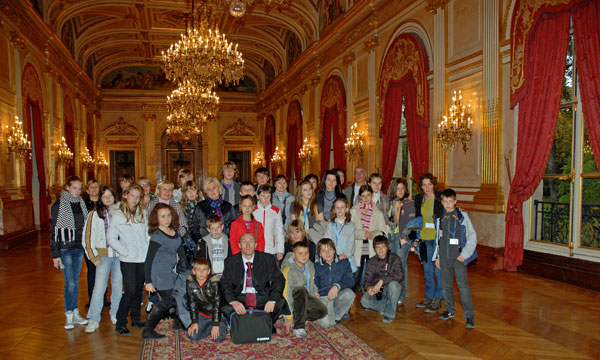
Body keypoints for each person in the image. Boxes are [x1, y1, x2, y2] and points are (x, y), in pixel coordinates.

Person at [220, 232, 290, 332]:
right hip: (240, 297)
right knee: (224, 305)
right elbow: (225, 284)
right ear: (239, 245)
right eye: (244, 242)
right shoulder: (230, 261)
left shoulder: (267, 259)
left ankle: (259, 324)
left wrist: (272, 300)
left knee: (279, 302)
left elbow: (279, 280)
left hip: (261, 296)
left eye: (251, 241)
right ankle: (257, 325)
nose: (248, 245)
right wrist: (234, 301)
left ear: (256, 245)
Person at [107, 184, 149, 336]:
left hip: (142, 257)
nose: (135, 199)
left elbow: (147, 235)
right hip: (128, 259)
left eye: (138, 197)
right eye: (132, 196)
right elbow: (111, 238)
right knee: (130, 289)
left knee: (139, 289)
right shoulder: (118, 215)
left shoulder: (143, 213)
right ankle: (120, 322)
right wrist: (125, 250)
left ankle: (136, 319)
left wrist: (148, 252)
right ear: (125, 195)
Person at [143, 203, 189, 339]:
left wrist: (187, 274)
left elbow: (182, 256)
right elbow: (149, 260)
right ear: (156, 219)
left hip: (169, 272)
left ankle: (178, 323)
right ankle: (148, 330)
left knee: (177, 297)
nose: (166, 219)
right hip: (158, 272)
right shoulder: (157, 236)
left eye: (168, 215)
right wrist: (148, 281)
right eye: (162, 216)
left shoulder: (175, 233)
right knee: (168, 301)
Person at [433, 189, 477, 329]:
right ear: (442, 202)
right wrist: (437, 257)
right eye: (445, 201)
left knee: (463, 287)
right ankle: (449, 310)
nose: (447, 204)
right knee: (446, 285)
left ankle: (469, 315)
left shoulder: (462, 216)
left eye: (450, 201)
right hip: (444, 258)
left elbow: (472, 236)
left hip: (458, 258)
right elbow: (437, 239)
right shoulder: (440, 217)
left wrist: (464, 254)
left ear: (455, 202)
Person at [50, 175, 90, 329]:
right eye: (74, 188)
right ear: (67, 187)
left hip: (79, 248)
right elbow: (54, 231)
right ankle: (69, 314)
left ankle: (75, 313)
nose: (77, 191)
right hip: (65, 249)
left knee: (75, 282)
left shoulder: (81, 204)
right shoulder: (58, 205)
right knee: (70, 282)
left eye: (80, 188)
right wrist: (55, 255)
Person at [83, 186, 122, 332]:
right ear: (100, 198)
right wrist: (93, 257)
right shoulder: (94, 214)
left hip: (119, 255)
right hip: (103, 256)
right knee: (99, 287)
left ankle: (115, 313)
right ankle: (93, 318)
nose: (107, 199)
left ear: (114, 197)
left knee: (118, 285)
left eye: (110, 196)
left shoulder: (120, 213)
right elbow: (87, 237)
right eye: (104, 196)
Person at [282, 242, 327, 338]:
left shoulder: (310, 265)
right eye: (300, 253)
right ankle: (299, 326)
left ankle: (299, 316)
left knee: (322, 311)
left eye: (306, 253)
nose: (304, 256)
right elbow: (285, 294)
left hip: (306, 298)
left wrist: (314, 291)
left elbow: (312, 282)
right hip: (293, 300)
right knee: (300, 289)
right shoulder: (288, 269)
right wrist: (288, 317)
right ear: (293, 255)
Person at [414, 173, 444, 313]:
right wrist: (415, 238)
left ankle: (438, 299)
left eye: (429, 184)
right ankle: (429, 297)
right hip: (424, 239)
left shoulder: (440, 198)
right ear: (421, 186)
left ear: (434, 185)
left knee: (438, 270)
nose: (427, 188)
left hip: (438, 239)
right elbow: (417, 219)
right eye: (424, 185)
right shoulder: (419, 199)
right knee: (427, 270)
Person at [350, 185, 389, 289]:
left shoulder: (378, 212)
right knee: (357, 273)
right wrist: (363, 234)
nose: (366, 198)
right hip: (358, 245)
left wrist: (372, 234)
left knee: (371, 271)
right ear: (359, 197)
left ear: (372, 195)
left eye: (368, 195)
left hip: (372, 245)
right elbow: (350, 231)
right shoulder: (353, 211)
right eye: (363, 196)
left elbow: (383, 231)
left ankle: (369, 292)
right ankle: (353, 295)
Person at [360, 235, 404, 323]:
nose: (380, 250)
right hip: (379, 290)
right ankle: (386, 305)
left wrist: (382, 281)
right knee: (364, 301)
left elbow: (399, 275)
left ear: (388, 247)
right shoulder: (371, 261)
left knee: (394, 285)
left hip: (392, 288)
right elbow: (367, 280)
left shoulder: (395, 258)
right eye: (378, 247)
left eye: (383, 247)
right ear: (374, 249)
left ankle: (389, 314)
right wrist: (370, 288)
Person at [314, 238, 355, 328]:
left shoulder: (343, 262)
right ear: (320, 254)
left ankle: (336, 316)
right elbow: (313, 283)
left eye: (330, 249)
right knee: (327, 324)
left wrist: (337, 286)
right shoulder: (316, 266)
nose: (327, 253)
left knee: (349, 293)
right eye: (323, 251)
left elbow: (350, 280)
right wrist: (315, 292)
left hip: (337, 295)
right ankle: (325, 314)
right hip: (323, 297)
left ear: (334, 250)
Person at [387, 179, 416, 305]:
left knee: (401, 266)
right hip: (391, 237)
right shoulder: (393, 202)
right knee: (392, 266)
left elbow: (402, 223)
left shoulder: (408, 203)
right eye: (398, 188)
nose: (400, 191)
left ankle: (401, 294)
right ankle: (393, 292)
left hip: (402, 238)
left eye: (402, 189)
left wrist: (397, 210)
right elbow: (391, 220)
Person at [186, 258, 228, 341]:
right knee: (193, 336)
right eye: (198, 270)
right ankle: (209, 328)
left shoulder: (214, 282)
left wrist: (215, 324)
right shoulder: (190, 282)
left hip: (217, 314)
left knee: (218, 338)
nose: (201, 272)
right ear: (193, 271)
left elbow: (217, 304)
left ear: (208, 271)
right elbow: (192, 303)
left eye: (204, 270)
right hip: (203, 315)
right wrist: (194, 322)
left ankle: (222, 324)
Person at [189, 178, 236, 242]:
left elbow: (233, 226)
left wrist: (229, 240)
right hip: (205, 242)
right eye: (209, 189)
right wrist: (199, 241)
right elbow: (194, 226)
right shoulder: (200, 206)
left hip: (225, 242)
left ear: (219, 189)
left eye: (214, 188)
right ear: (206, 192)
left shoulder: (228, 206)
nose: (212, 191)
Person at [253, 184, 285, 261]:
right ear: (257, 196)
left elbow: (279, 231)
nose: (266, 199)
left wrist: (280, 250)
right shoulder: (253, 210)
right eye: (263, 196)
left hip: (271, 249)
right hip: (255, 249)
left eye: (268, 196)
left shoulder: (276, 211)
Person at [83, 179, 101, 309]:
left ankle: (103, 297)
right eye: (92, 187)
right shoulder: (83, 205)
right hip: (89, 242)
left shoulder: (104, 203)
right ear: (87, 190)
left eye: (96, 187)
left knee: (103, 271)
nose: (94, 189)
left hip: (102, 243)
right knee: (92, 271)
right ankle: (92, 298)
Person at [324, 198, 355, 271]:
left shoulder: (351, 225)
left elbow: (351, 242)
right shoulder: (330, 225)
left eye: (342, 207)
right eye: (337, 207)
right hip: (332, 258)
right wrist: (331, 255)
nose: (339, 209)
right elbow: (327, 241)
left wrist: (345, 254)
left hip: (345, 258)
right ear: (334, 210)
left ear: (346, 209)